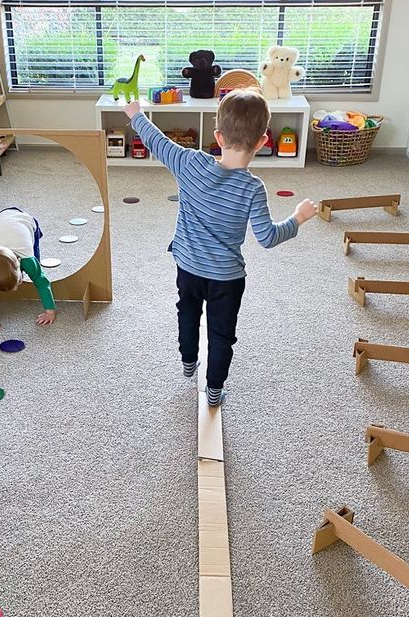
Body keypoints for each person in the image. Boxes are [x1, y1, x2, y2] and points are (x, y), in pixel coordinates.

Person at [124, 88, 317, 405]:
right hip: (226, 279)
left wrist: (136, 115)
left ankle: (188, 361)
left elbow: (157, 142)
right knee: (221, 332)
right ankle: (214, 389)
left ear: (217, 135)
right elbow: (267, 237)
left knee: (186, 311)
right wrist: (298, 218)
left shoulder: (189, 163)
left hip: (187, 266)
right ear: (262, 142)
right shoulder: (253, 188)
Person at [0, 207, 57, 334]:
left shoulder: (27, 260)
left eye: (18, 280)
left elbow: (42, 283)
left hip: (25, 221)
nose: (16, 289)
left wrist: (50, 312)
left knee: (36, 265)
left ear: (19, 264)